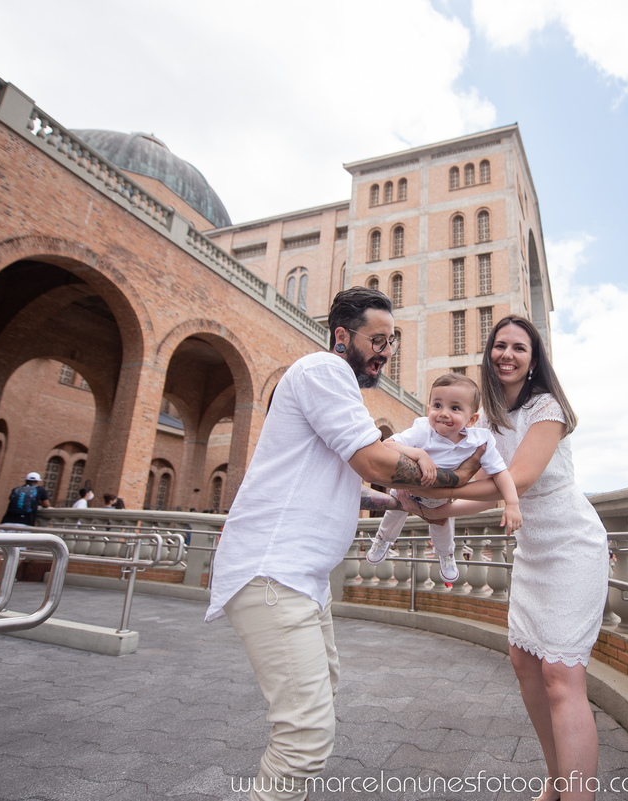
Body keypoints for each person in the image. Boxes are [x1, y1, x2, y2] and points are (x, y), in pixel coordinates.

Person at [205, 288, 483, 801]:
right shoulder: (323, 370)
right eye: (377, 339)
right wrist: (451, 475)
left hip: (302, 580)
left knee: (318, 698)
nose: (386, 351)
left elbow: (349, 484)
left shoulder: (336, 393)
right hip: (275, 572)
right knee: (305, 735)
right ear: (341, 337)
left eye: (392, 341)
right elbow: (375, 464)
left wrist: (401, 504)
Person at [414, 315, 608, 801]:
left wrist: (431, 484)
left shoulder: (548, 407)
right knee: (525, 664)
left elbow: (517, 480)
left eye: (519, 348)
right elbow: (486, 493)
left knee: (562, 677)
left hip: (571, 546)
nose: (507, 354)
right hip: (532, 550)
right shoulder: (486, 422)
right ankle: (558, 779)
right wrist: (438, 511)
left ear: (534, 359)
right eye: (499, 346)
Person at [364, 373, 521, 581]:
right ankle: (383, 540)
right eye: (437, 405)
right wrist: (420, 454)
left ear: (472, 419)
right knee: (394, 513)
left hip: (439, 496)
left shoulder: (479, 441)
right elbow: (387, 445)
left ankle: (446, 555)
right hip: (408, 487)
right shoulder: (423, 429)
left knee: (443, 527)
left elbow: (500, 473)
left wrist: (512, 503)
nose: (444, 413)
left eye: (455, 408)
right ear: (429, 409)